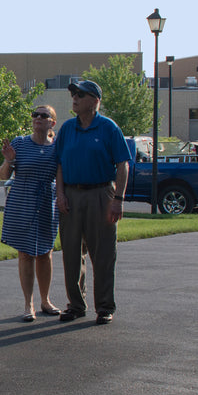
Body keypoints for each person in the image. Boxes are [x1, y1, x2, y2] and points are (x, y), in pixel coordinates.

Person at [54, 80, 130, 325]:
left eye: (80, 95)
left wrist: (118, 199)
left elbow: (122, 165)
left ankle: (105, 307)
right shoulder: (67, 129)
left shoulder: (108, 128)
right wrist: (61, 194)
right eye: (73, 95)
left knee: (104, 254)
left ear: (95, 100)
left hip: (101, 194)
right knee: (72, 254)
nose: (74, 99)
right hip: (72, 196)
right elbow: (60, 164)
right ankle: (76, 305)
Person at [0, 104, 62, 322]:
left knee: (45, 252)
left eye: (44, 115)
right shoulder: (20, 143)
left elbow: (61, 176)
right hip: (21, 200)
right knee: (25, 253)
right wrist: (9, 159)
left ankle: (46, 300)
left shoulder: (57, 147)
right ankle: (29, 304)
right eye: (35, 114)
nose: (37, 118)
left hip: (46, 202)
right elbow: (3, 174)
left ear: (52, 122)